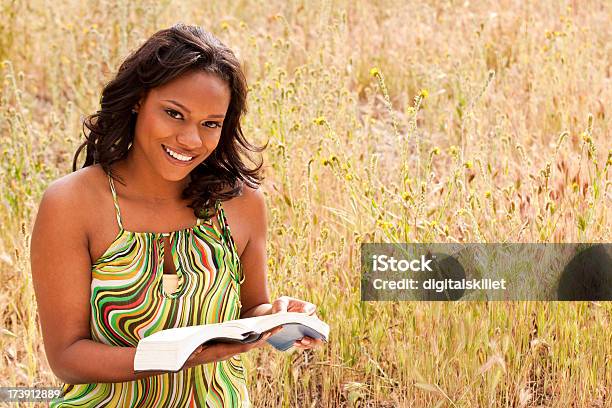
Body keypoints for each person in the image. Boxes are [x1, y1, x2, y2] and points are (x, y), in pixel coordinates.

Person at [30, 23, 323, 407]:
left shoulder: (242, 203)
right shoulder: (72, 204)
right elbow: (66, 357)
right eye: (174, 113)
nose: (191, 140)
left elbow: (252, 309)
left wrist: (278, 319)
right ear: (138, 100)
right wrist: (171, 359)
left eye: (210, 124)